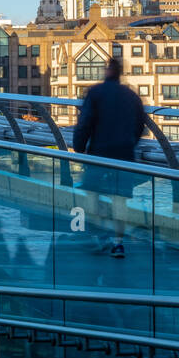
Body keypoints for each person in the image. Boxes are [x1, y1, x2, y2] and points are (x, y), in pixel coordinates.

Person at [72, 55, 148, 259]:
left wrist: (79, 148)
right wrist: (130, 142)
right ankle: (118, 243)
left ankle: (99, 236)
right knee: (120, 200)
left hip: (99, 153)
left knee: (92, 194)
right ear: (121, 73)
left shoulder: (95, 92)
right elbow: (141, 124)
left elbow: (85, 122)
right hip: (124, 153)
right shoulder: (131, 96)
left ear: (107, 71)